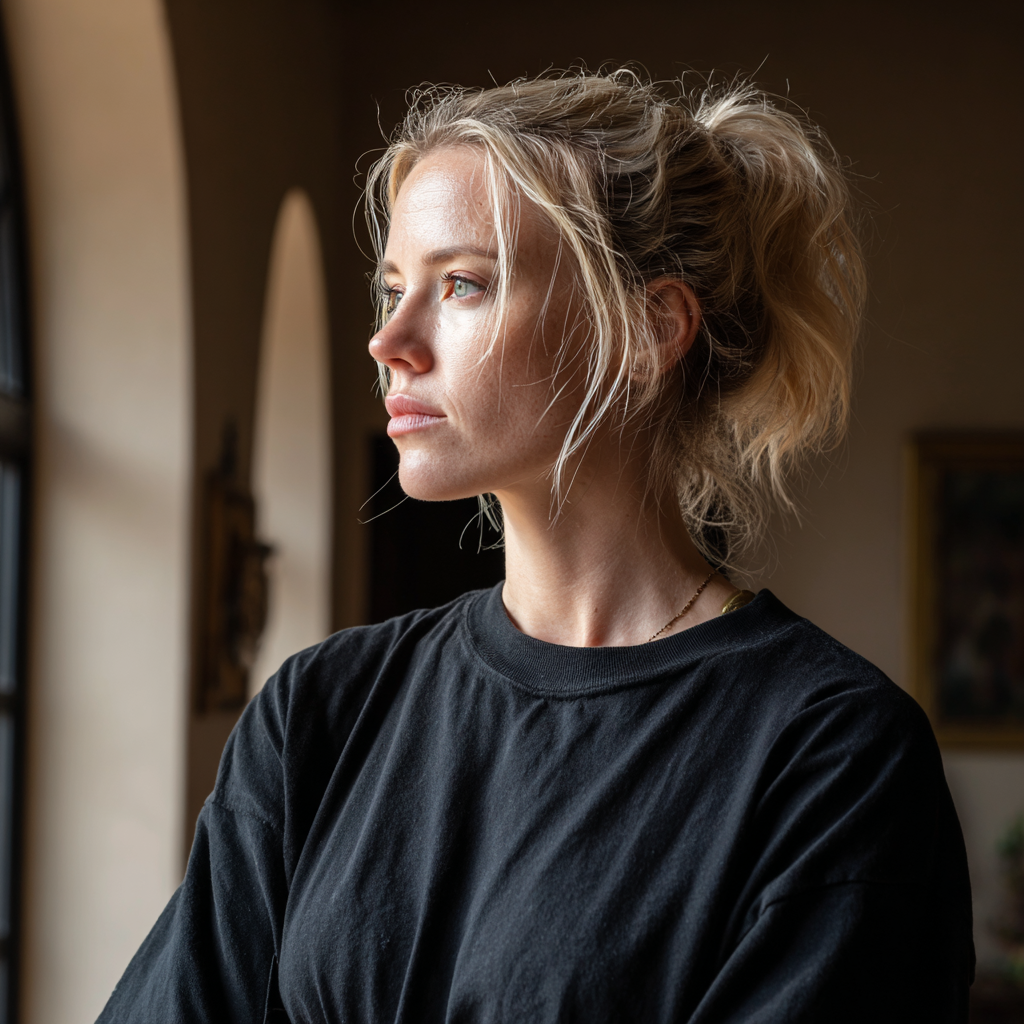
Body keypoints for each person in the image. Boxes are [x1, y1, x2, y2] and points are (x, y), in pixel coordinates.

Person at [99, 70, 974, 1023]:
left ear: (649, 330)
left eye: (463, 284)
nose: (390, 340)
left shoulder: (831, 752)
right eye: (395, 289)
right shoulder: (320, 714)